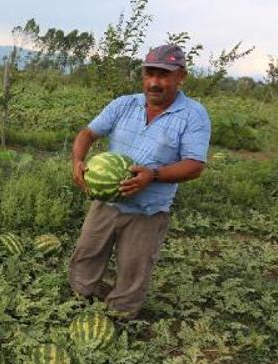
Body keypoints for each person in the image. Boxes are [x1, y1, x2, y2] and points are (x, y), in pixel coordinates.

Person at [68, 44, 211, 320]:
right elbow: (88, 132)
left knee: (134, 268)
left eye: (163, 75)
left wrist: (152, 176)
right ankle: (78, 299)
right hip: (107, 201)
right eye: (149, 74)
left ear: (181, 76)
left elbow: (195, 165)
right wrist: (77, 161)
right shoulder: (124, 104)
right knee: (87, 252)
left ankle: (120, 318)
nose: (154, 82)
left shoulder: (194, 115)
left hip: (148, 210)